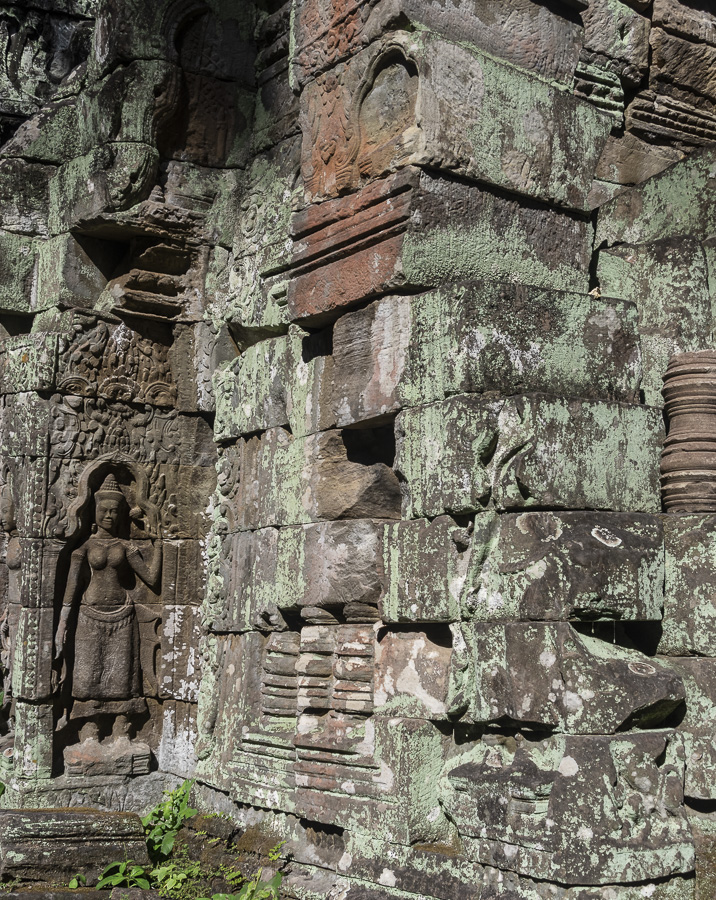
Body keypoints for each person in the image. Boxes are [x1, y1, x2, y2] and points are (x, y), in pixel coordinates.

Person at [54, 474, 161, 729]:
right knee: (87, 674)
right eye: (104, 510)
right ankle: (89, 730)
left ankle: (121, 729)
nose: (109, 516)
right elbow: (71, 589)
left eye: (114, 511)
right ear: (94, 512)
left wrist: (158, 544)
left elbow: (152, 579)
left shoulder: (125, 547)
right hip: (89, 616)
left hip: (123, 615)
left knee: (122, 676)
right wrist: (61, 626)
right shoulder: (84, 548)